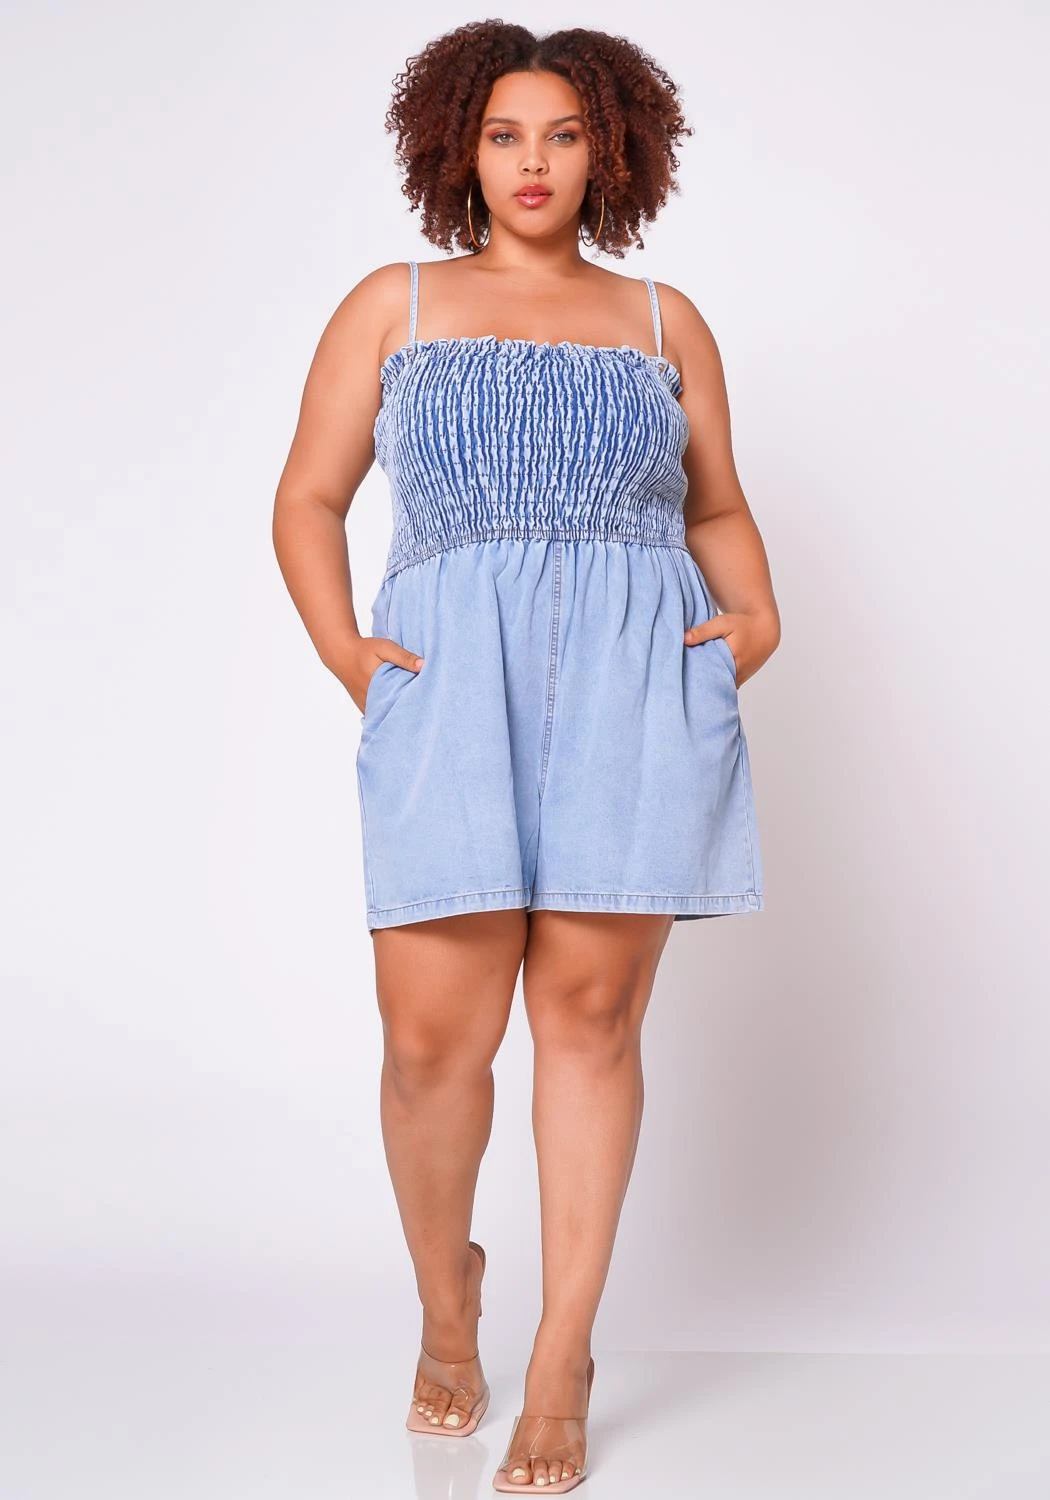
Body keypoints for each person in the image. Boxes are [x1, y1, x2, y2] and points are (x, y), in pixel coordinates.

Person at [272, 21, 781, 1494]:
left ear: (611, 150)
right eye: (505, 135)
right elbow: (307, 499)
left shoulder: (662, 322)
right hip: (450, 690)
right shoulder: (395, 304)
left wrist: (753, 617)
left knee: (590, 1020)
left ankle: (562, 1357)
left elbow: (715, 505)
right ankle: (452, 1308)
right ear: (461, 148)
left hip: (636, 687)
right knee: (431, 1047)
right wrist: (348, 653)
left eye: (563, 134)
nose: (534, 162)